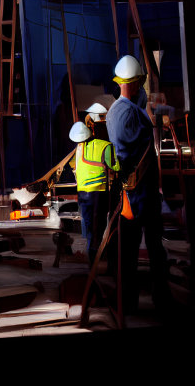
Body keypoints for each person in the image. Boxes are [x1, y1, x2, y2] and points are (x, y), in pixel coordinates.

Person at [105, 55, 173, 314]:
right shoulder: (124, 113)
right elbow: (133, 147)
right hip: (138, 194)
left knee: (133, 251)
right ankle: (149, 301)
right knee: (148, 249)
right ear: (133, 85)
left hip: (136, 194)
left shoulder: (122, 111)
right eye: (140, 84)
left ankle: (130, 302)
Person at [68, 113, 119, 264]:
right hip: (99, 192)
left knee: (89, 226)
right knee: (101, 225)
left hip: (83, 192)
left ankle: (92, 258)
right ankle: (99, 256)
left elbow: (73, 165)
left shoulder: (78, 148)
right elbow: (115, 166)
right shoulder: (105, 145)